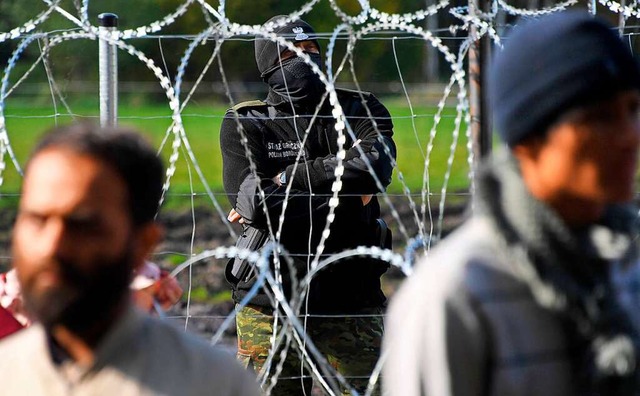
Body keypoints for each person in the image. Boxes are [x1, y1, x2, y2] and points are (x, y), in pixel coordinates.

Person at [383, 11, 640, 396]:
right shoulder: (453, 296)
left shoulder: (627, 266)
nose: (629, 137)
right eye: (599, 119)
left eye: (634, 110)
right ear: (528, 138)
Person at [0, 124, 259, 396]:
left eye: (83, 225)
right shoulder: (8, 373)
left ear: (143, 244)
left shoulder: (210, 384)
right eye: (36, 220)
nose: (51, 247)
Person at [220, 15, 396, 395]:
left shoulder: (359, 108)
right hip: (269, 300)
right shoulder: (247, 122)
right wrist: (348, 199)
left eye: (310, 50)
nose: (303, 60)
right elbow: (258, 204)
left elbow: (375, 169)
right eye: (289, 54)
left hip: (351, 292)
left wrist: (286, 179)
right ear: (268, 65)